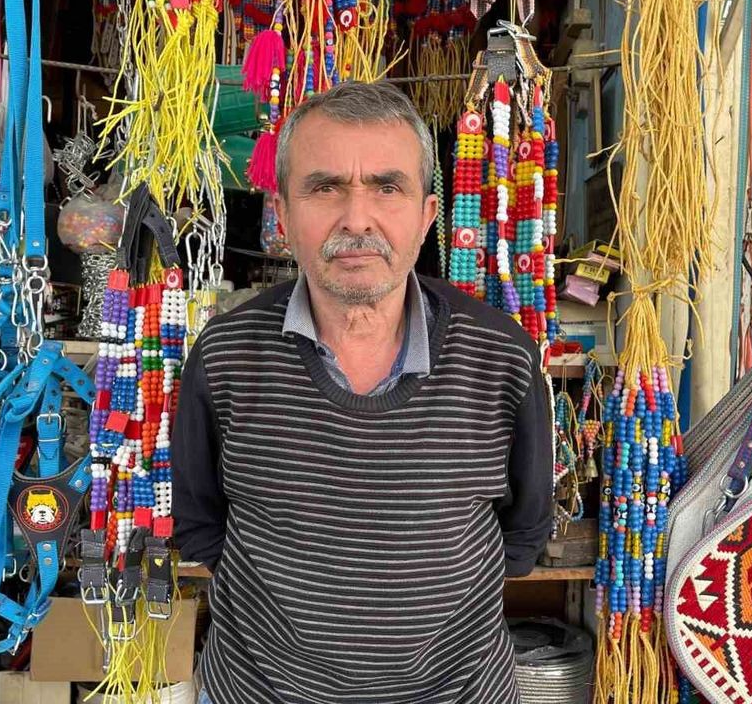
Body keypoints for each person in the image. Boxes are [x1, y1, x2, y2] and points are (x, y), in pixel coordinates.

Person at [174, 81, 553, 704]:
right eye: (325, 188)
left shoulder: (500, 357)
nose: (356, 219)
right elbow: (200, 524)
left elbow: (524, 536)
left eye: (387, 187)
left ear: (427, 215)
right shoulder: (226, 354)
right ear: (284, 214)